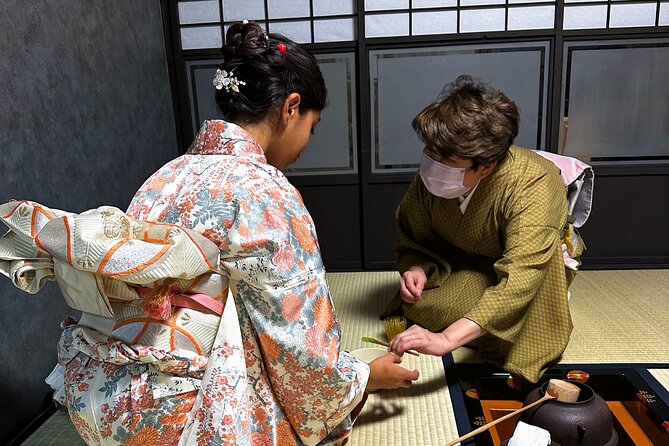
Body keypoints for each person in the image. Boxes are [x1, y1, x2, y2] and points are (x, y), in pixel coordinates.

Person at [0, 21, 418, 446]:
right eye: (312, 126)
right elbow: (297, 346)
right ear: (291, 107)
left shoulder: (165, 176)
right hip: (193, 411)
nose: (307, 141)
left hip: (107, 393)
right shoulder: (267, 192)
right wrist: (362, 378)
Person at [384, 75, 577, 384]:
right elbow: (414, 233)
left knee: (523, 337)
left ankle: (542, 305)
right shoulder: (432, 176)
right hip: (467, 263)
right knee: (420, 306)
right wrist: (416, 267)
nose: (432, 164)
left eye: (446, 159)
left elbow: (520, 277)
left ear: (486, 166)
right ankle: (476, 321)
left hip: (526, 270)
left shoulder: (535, 184)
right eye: (431, 151)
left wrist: (446, 340)